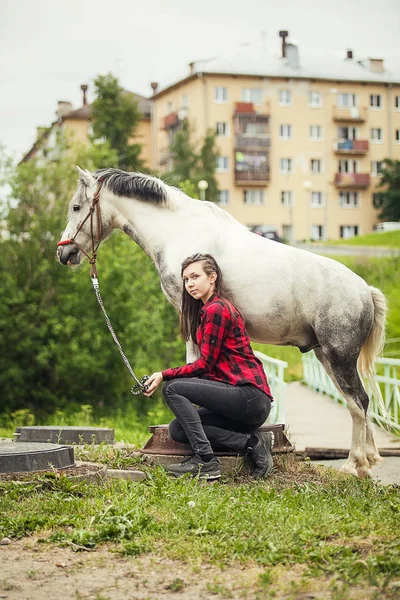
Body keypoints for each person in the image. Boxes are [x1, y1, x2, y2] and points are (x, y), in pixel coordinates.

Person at [144, 253, 274, 480]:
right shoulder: (207, 311)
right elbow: (211, 370)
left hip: (250, 396)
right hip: (240, 404)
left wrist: (163, 375)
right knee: (178, 428)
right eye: (186, 279)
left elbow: (205, 365)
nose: (190, 284)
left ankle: (205, 461)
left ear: (212, 277)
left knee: (173, 388)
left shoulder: (216, 309)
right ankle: (251, 443)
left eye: (195, 276)